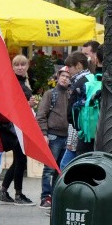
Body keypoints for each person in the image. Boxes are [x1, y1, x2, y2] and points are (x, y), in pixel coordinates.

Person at [0, 55, 36, 206]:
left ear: (27, 66)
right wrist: (28, 105)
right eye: (16, 65)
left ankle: (4, 191)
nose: (20, 67)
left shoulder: (21, 81)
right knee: (20, 159)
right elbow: (12, 106)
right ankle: (18, 194)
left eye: (23, 64)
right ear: (12, 67)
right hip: (15, 127)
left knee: (19, 159)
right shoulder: (14, 83)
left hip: (18, 126)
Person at [36, 66, 71, 208]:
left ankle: (56, 195)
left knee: (60, 169)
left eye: (68, 77)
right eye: (63, 76)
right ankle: (45, 197)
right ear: (57, 77)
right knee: (49, 169)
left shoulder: (71, 94)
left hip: (67, 137)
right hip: (53, 136)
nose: (65, 78)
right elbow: (41, 115)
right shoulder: (50, 94)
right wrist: (44, 133)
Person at [65, 51, 98, 156]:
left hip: (82, 132)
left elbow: (71, 113)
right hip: (92, 129)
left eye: (69, 66)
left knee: (66, 165)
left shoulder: (79, 82)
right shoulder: (92, 77)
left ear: (78, 65)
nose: (68, 70)